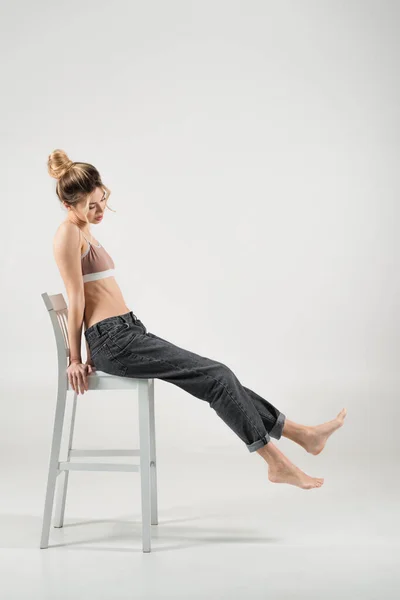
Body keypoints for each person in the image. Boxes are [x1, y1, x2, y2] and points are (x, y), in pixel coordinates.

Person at [49, 149, 347, 490]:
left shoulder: (84, 229)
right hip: (114, 342)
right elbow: (76, 299)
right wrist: (75, 358)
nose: (100, 211)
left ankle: (303, 434)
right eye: (91, 206)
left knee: (217, 379)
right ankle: (275, 462)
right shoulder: (67, 234)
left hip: (127, 333)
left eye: (102, 200)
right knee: (217, 376)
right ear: (68, 205)